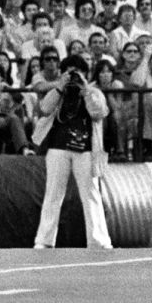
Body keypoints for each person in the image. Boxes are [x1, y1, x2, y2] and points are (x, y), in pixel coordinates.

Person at [32, 55, 113, 249]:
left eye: (78, 72)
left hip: (86, 149)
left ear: (86, 74)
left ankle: (99, 241)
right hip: (58, 146)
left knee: (91, 194)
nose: (74, 76)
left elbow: (99, 112)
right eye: (70, 72)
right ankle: (44, 240)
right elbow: (44, 109)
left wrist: (86, 92)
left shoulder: (94, 92)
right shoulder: (57, 91)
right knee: (52, 194)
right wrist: (60, 87)